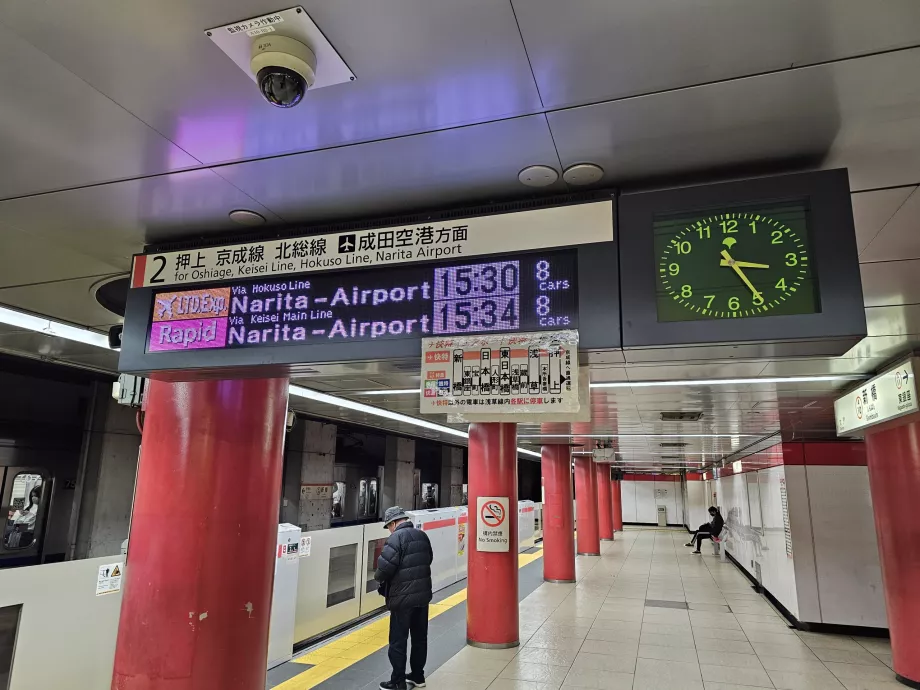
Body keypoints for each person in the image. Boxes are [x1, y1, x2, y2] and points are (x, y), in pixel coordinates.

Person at [375, 506, 433, 690]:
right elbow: (428, 558)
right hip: (422, 597)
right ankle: (418, 676)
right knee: (419, 638)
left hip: (402, 599)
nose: (389, 530)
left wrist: (380, 578)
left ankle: (398, 681)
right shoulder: (422, 535)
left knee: (398, 640)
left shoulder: (396, 538)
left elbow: (383, 569)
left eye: (388, 526)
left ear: (393, 523)